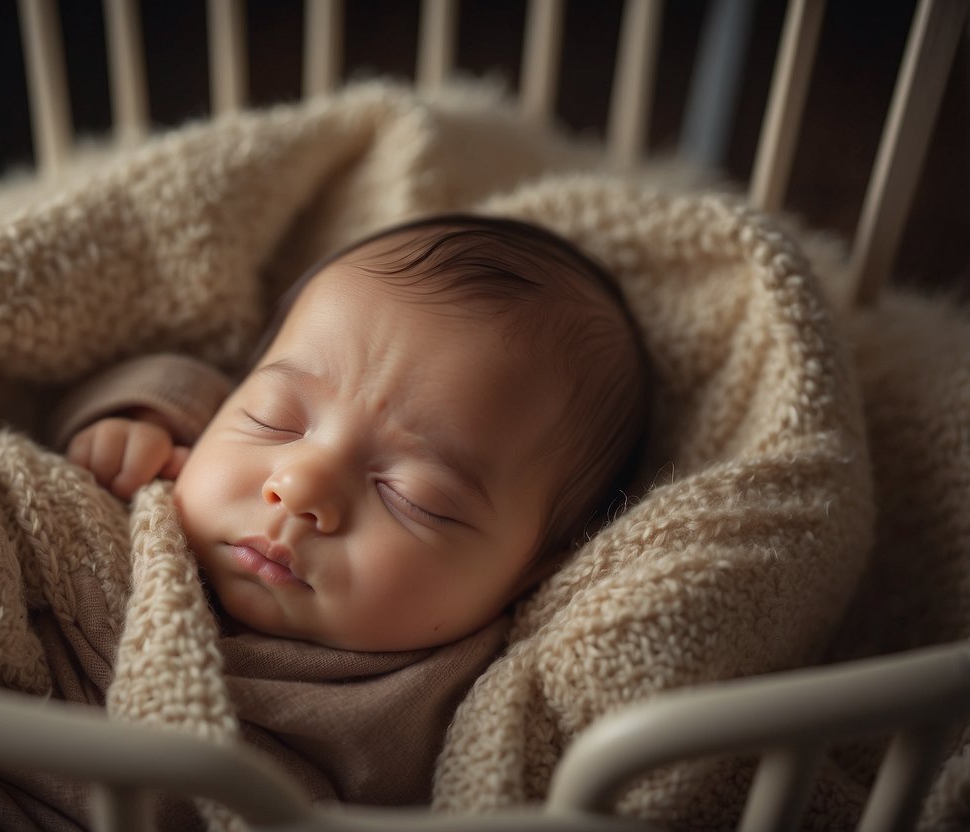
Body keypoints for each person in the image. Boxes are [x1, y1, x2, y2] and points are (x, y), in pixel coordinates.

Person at [48, 214, 651, 803]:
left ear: (535, 569)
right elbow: (181, 388)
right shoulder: (157, 479)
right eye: (273, 420)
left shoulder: (459, 698)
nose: (301, 488)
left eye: (413, 497)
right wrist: (136, 422)